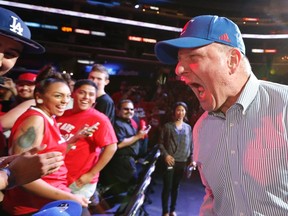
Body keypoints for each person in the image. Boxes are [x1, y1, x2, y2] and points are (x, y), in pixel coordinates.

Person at [155, 14, 288, 215]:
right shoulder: (201, 129)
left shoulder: (284, 107)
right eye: (179, 60)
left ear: (232, 60)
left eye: (193, 57)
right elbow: (213, 197)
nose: (178, 69)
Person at [2, 69, 89, 215]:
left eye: (67, 96)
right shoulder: (35, 120)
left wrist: (73, 140)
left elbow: (51, 155)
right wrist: (70, 197)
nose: (65, 101)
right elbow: (20, 175)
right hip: (34, 207)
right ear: (39, 97)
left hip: (53, 198)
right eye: (58, 96)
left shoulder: (50, 117)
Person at [0, 7, 64, 190]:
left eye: (11, 54)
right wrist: (9, 176)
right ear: (40, 96)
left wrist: (5, 164)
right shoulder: (34, 115)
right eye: (58, 95)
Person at [57, 79, 117, 202]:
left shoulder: (99, 119)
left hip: (78, 181)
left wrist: (91, 174)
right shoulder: (61, 114)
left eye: (91, 95)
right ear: (73, 94)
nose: (86, 97)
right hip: (57, 177)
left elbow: (112, 147)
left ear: (95, 99)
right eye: (82, 93)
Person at [100, 99, 151, 196]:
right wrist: (138, 136)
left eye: (132, 109)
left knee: (132, 188)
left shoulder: (128, 122)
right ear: (118, 110)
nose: (130, 112)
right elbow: (119, 144)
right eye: (126, 109)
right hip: (120, 162)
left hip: (128, 161)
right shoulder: (117, 124)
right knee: (131, 188)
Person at [158, 102, 193, 216]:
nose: (180, 112)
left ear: (185, 112)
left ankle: (172, 210)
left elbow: (191, 145)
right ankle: (165, 211)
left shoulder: (188, 128)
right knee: (167, 187)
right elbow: (160, 143)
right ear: (174, 111)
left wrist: (192, 159)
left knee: (176, 187)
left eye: (183, 110)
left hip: (182, 161)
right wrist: (166, 155)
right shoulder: (167, 126)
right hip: (170, 160)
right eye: (178, 110)